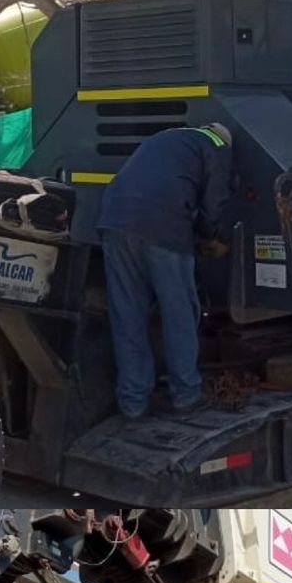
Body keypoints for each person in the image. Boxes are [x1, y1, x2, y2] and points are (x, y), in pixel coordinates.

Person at [98, 123, 233, 419]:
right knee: (179, 312)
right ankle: (186, 396)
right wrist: (211, 237)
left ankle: (133, 402)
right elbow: (214, 201)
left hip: (115, 221)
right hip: (163, 226)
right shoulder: (217, 145)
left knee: (127, 314)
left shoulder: (168, 138)